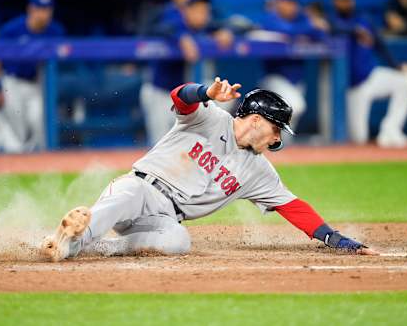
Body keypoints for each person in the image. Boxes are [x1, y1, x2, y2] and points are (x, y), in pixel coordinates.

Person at [41, 77, 378, 262]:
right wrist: (206, 92)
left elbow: (292, 206)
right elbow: (180, 97)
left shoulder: (259, 171)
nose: (278, 138)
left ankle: (100, 247)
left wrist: (335, 238)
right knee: (124, 196)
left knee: (178, 242)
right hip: (141, 187)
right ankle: (73, 239)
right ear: (257, 121)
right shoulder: (210, 116)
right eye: (277, 129)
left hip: (165, 218)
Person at [140, 0, 234, 145]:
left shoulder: (207, 27)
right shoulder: (172, 23)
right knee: (160, 146)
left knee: (222, 99)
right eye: (196, 9)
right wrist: (180, 37)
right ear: (184, 11)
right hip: (162, 94)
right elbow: (157, 29)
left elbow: (229, 27)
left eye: (204, 10)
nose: (201, 14)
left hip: (188, 97)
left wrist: (224, 31)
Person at [330, 0, 407, 148]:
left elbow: (380, 45)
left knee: (406, 81)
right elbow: (333, 27)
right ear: (335, 1)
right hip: (353, 88)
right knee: (359, 138)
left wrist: (396, 65)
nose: (346, 2)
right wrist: (355, 31)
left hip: (371, 76)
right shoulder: (332, 20)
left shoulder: (363, 19)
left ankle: (391, 130)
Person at [0, 0, 65, 151]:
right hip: (11, 82)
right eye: (40, 8)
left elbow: (62, 62)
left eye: (47, 9)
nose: (44, 13)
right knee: (17, 127)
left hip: (36, 83)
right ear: (30, 9)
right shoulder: (11, 30)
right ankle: (15, 164)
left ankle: (40, 162)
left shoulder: (55, 31)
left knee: (38, 119)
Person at [259, 0, 328, 134]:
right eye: (287, 2)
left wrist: (310, 26)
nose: (291, 6)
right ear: (278, 2)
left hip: (297, 82)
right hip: (275, 79)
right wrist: (309, 26)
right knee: (296, 106)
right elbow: (287, 31)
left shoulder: (301, 19)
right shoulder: (269, 19)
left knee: (287, 132)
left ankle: (280, 152)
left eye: (294, 2)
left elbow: (321, 34)